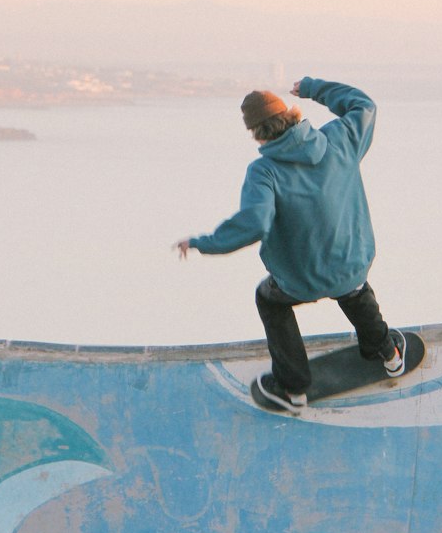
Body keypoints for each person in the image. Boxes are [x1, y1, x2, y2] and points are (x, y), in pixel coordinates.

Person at [173, 77, 403, 413]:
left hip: (301, 279)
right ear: (291, 114)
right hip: (352, 262)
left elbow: (254, 222)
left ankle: (292, 389)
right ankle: (388, 355)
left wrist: (203, 243)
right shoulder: (339, 140)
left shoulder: (264, 172)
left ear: (257, 133)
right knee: (352, 288)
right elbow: (364, 105)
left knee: (270, 300)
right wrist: (313, 88)